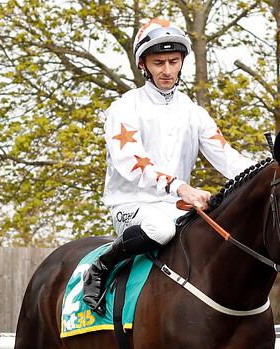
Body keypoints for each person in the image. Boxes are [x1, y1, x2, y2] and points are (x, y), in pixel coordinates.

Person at [82, 18, 256, 313]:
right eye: (158, 61)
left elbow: (228, 156)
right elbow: (133, 162)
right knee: (161, 229)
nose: (166, 70)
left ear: (182, 62)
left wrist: (271, 169)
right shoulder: (124, 107)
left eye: (173, 61)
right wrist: (180, 187)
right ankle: (100, 267)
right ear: (143, 64)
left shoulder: (194, 112)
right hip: (132, 206)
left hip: (176, 206)